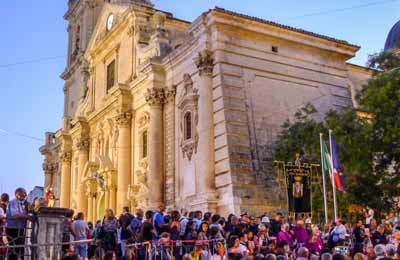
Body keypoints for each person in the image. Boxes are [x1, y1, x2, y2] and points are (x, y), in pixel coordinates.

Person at [6, 188, 30, 260]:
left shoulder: (22, 203)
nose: (25, 195)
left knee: (20, 248)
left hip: (20, 229)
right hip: (13, 229)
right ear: (18, 194)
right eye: (24, 193)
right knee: (13, 249)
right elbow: (16, 215)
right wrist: (28, 216)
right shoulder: (13, 202)